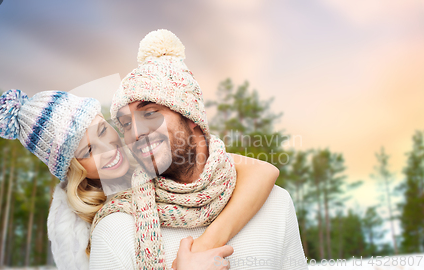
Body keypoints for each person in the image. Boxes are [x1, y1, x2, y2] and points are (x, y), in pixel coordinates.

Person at [88, 29, 308, 269]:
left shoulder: (275, 203)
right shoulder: (115, 227)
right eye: (126, 123)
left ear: (191, 117)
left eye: (150, 113)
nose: (136, 133)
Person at [0, 88, 279, 270]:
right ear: (72, 168)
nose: (108, 150)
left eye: (102, 131)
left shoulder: (149, 152)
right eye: (88, 150)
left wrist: (206, 244)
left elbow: (264, 171)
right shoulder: (85, 228)